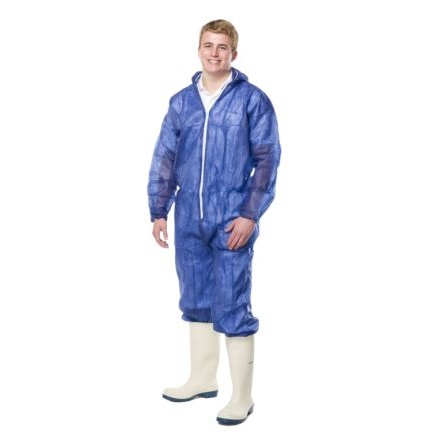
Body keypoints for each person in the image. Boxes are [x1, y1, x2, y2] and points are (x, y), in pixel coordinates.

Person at [147, 19, 281, 426]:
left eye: (222, 47)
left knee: (232, 304)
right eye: (208, 45)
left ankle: (242, 397)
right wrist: (158, 210)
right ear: (199, 50)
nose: (215, 53)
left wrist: (249, 214)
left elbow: (267, 160)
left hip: (231, 219)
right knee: (195, 299)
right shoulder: (181, 103)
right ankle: (202, 378)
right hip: (188, 217)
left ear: (233, 53)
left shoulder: (252, 101)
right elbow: (165, 157)